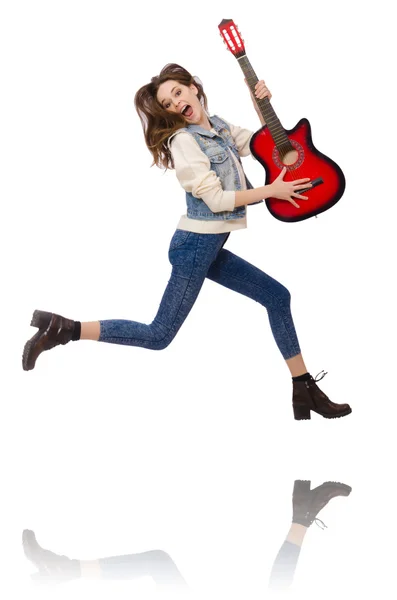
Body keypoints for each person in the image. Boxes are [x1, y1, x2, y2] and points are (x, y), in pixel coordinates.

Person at [22, 63, 352, 420]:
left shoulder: (220, 127)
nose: (176, 103)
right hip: (194, 249)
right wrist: (272, 191)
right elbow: (217, 200)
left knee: (277, 297)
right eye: (167, 103)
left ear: (194, 87)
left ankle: (303, 389)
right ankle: (64, 329)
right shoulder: (183, 142)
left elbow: (265, 144)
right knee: (159, 335)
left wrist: (259, 101)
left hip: (209, 248)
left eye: (178, 92)